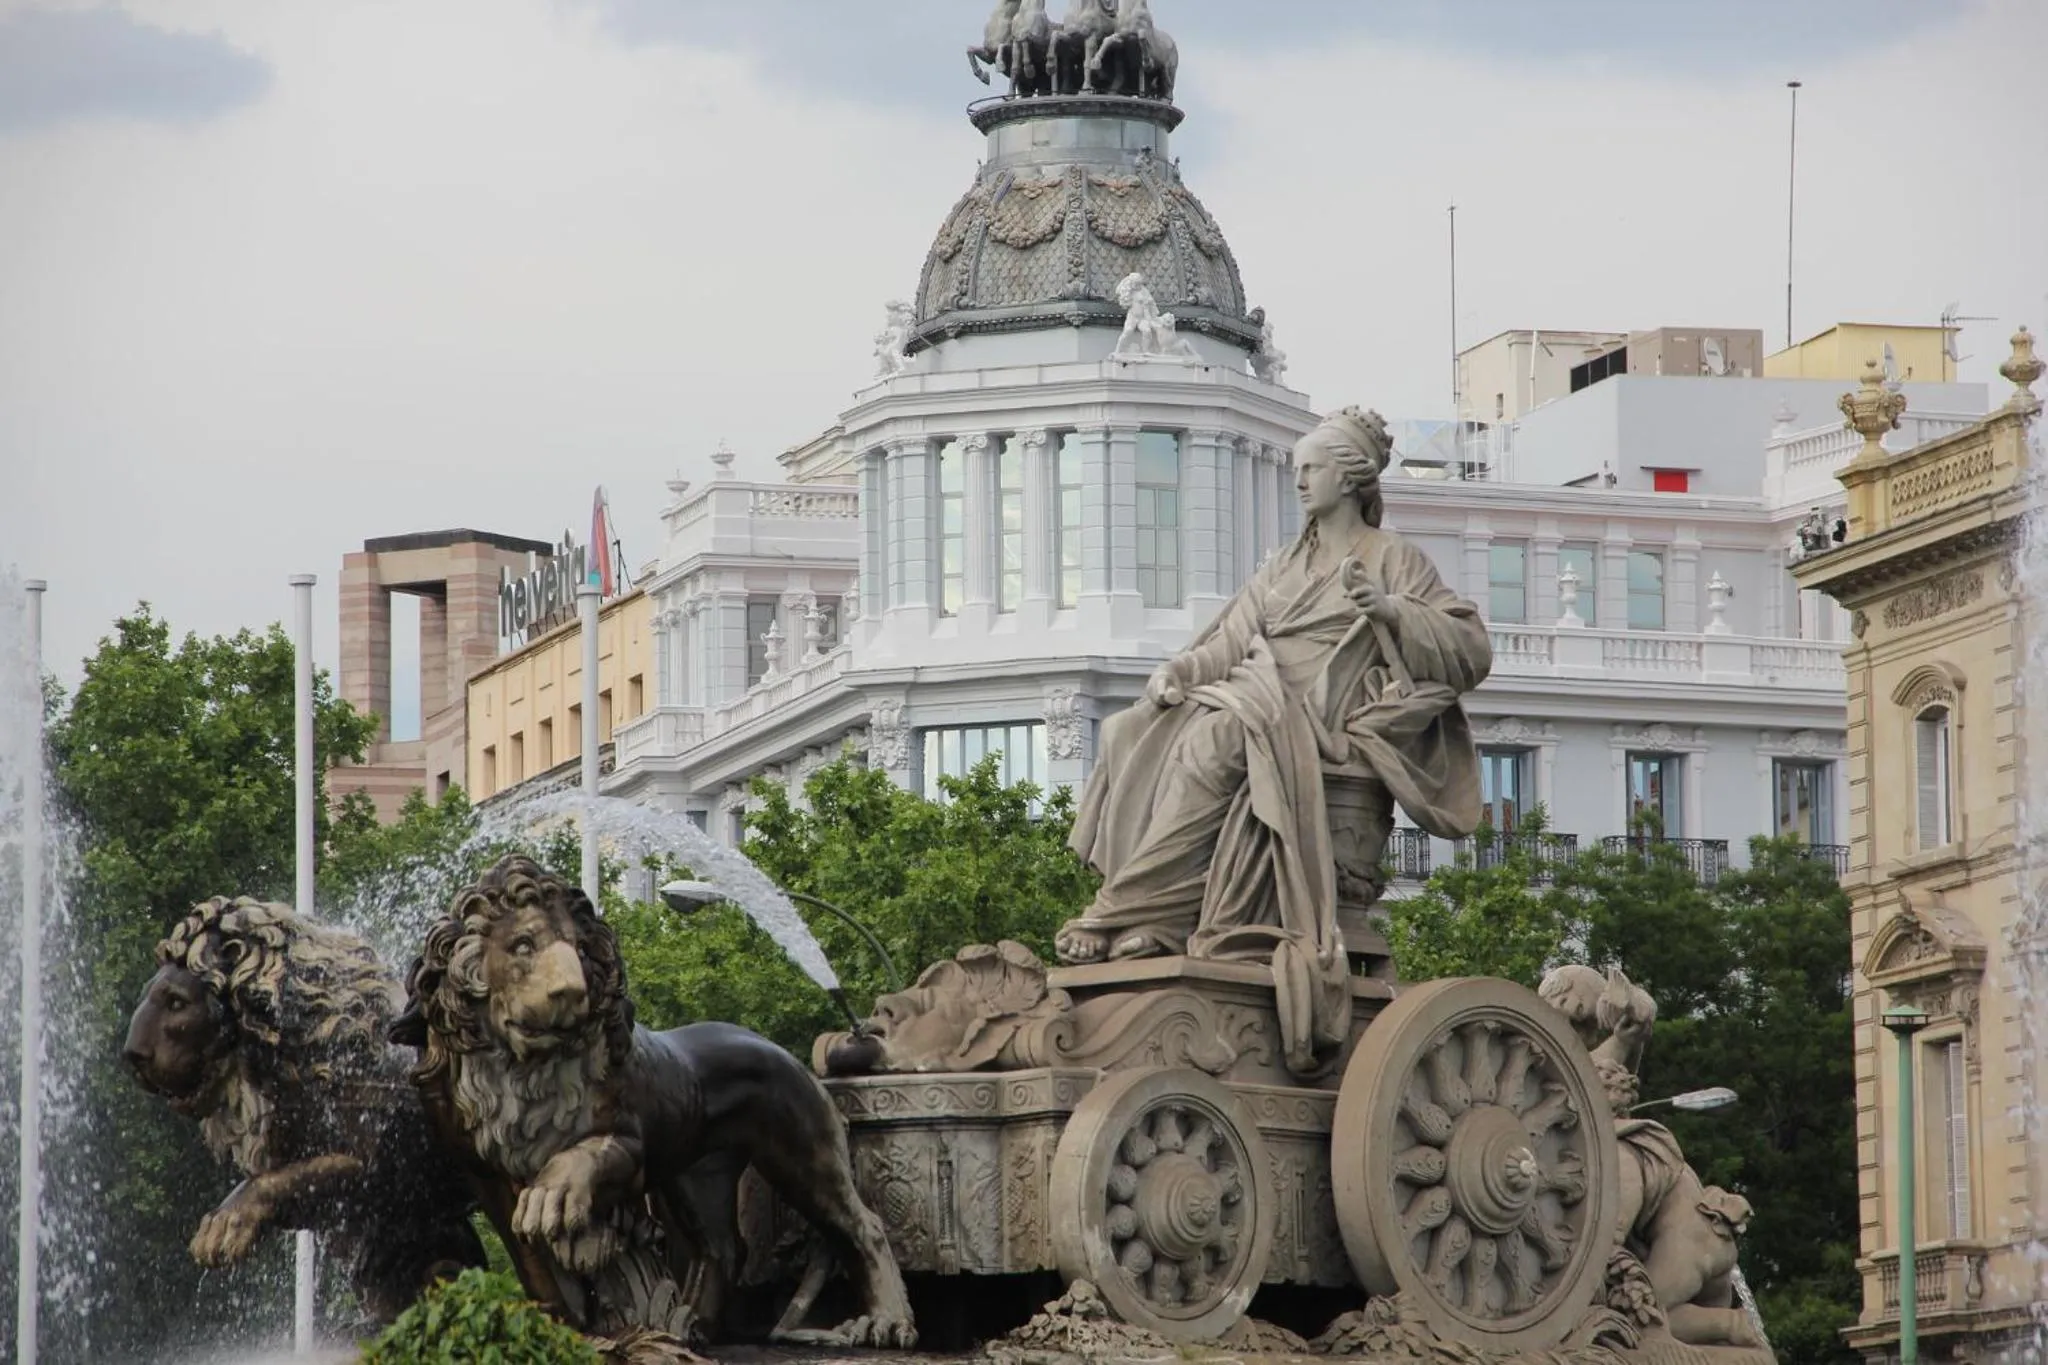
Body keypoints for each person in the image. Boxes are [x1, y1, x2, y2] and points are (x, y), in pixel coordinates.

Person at [1058, 406, 1491, 1070]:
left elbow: (1470, 649)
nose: (1300, 481)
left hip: (1321, 717)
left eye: (1312, 468)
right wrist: (1181, 671)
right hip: (1259, 694)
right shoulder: (1282, 566)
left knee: (1217, 739)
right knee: (1129, 729)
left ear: (1350, 477)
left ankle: (1128, 909)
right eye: (1298, 469)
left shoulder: (1393, 559)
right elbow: (1232, 641)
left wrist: (1391, 610)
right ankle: (1155, 918)